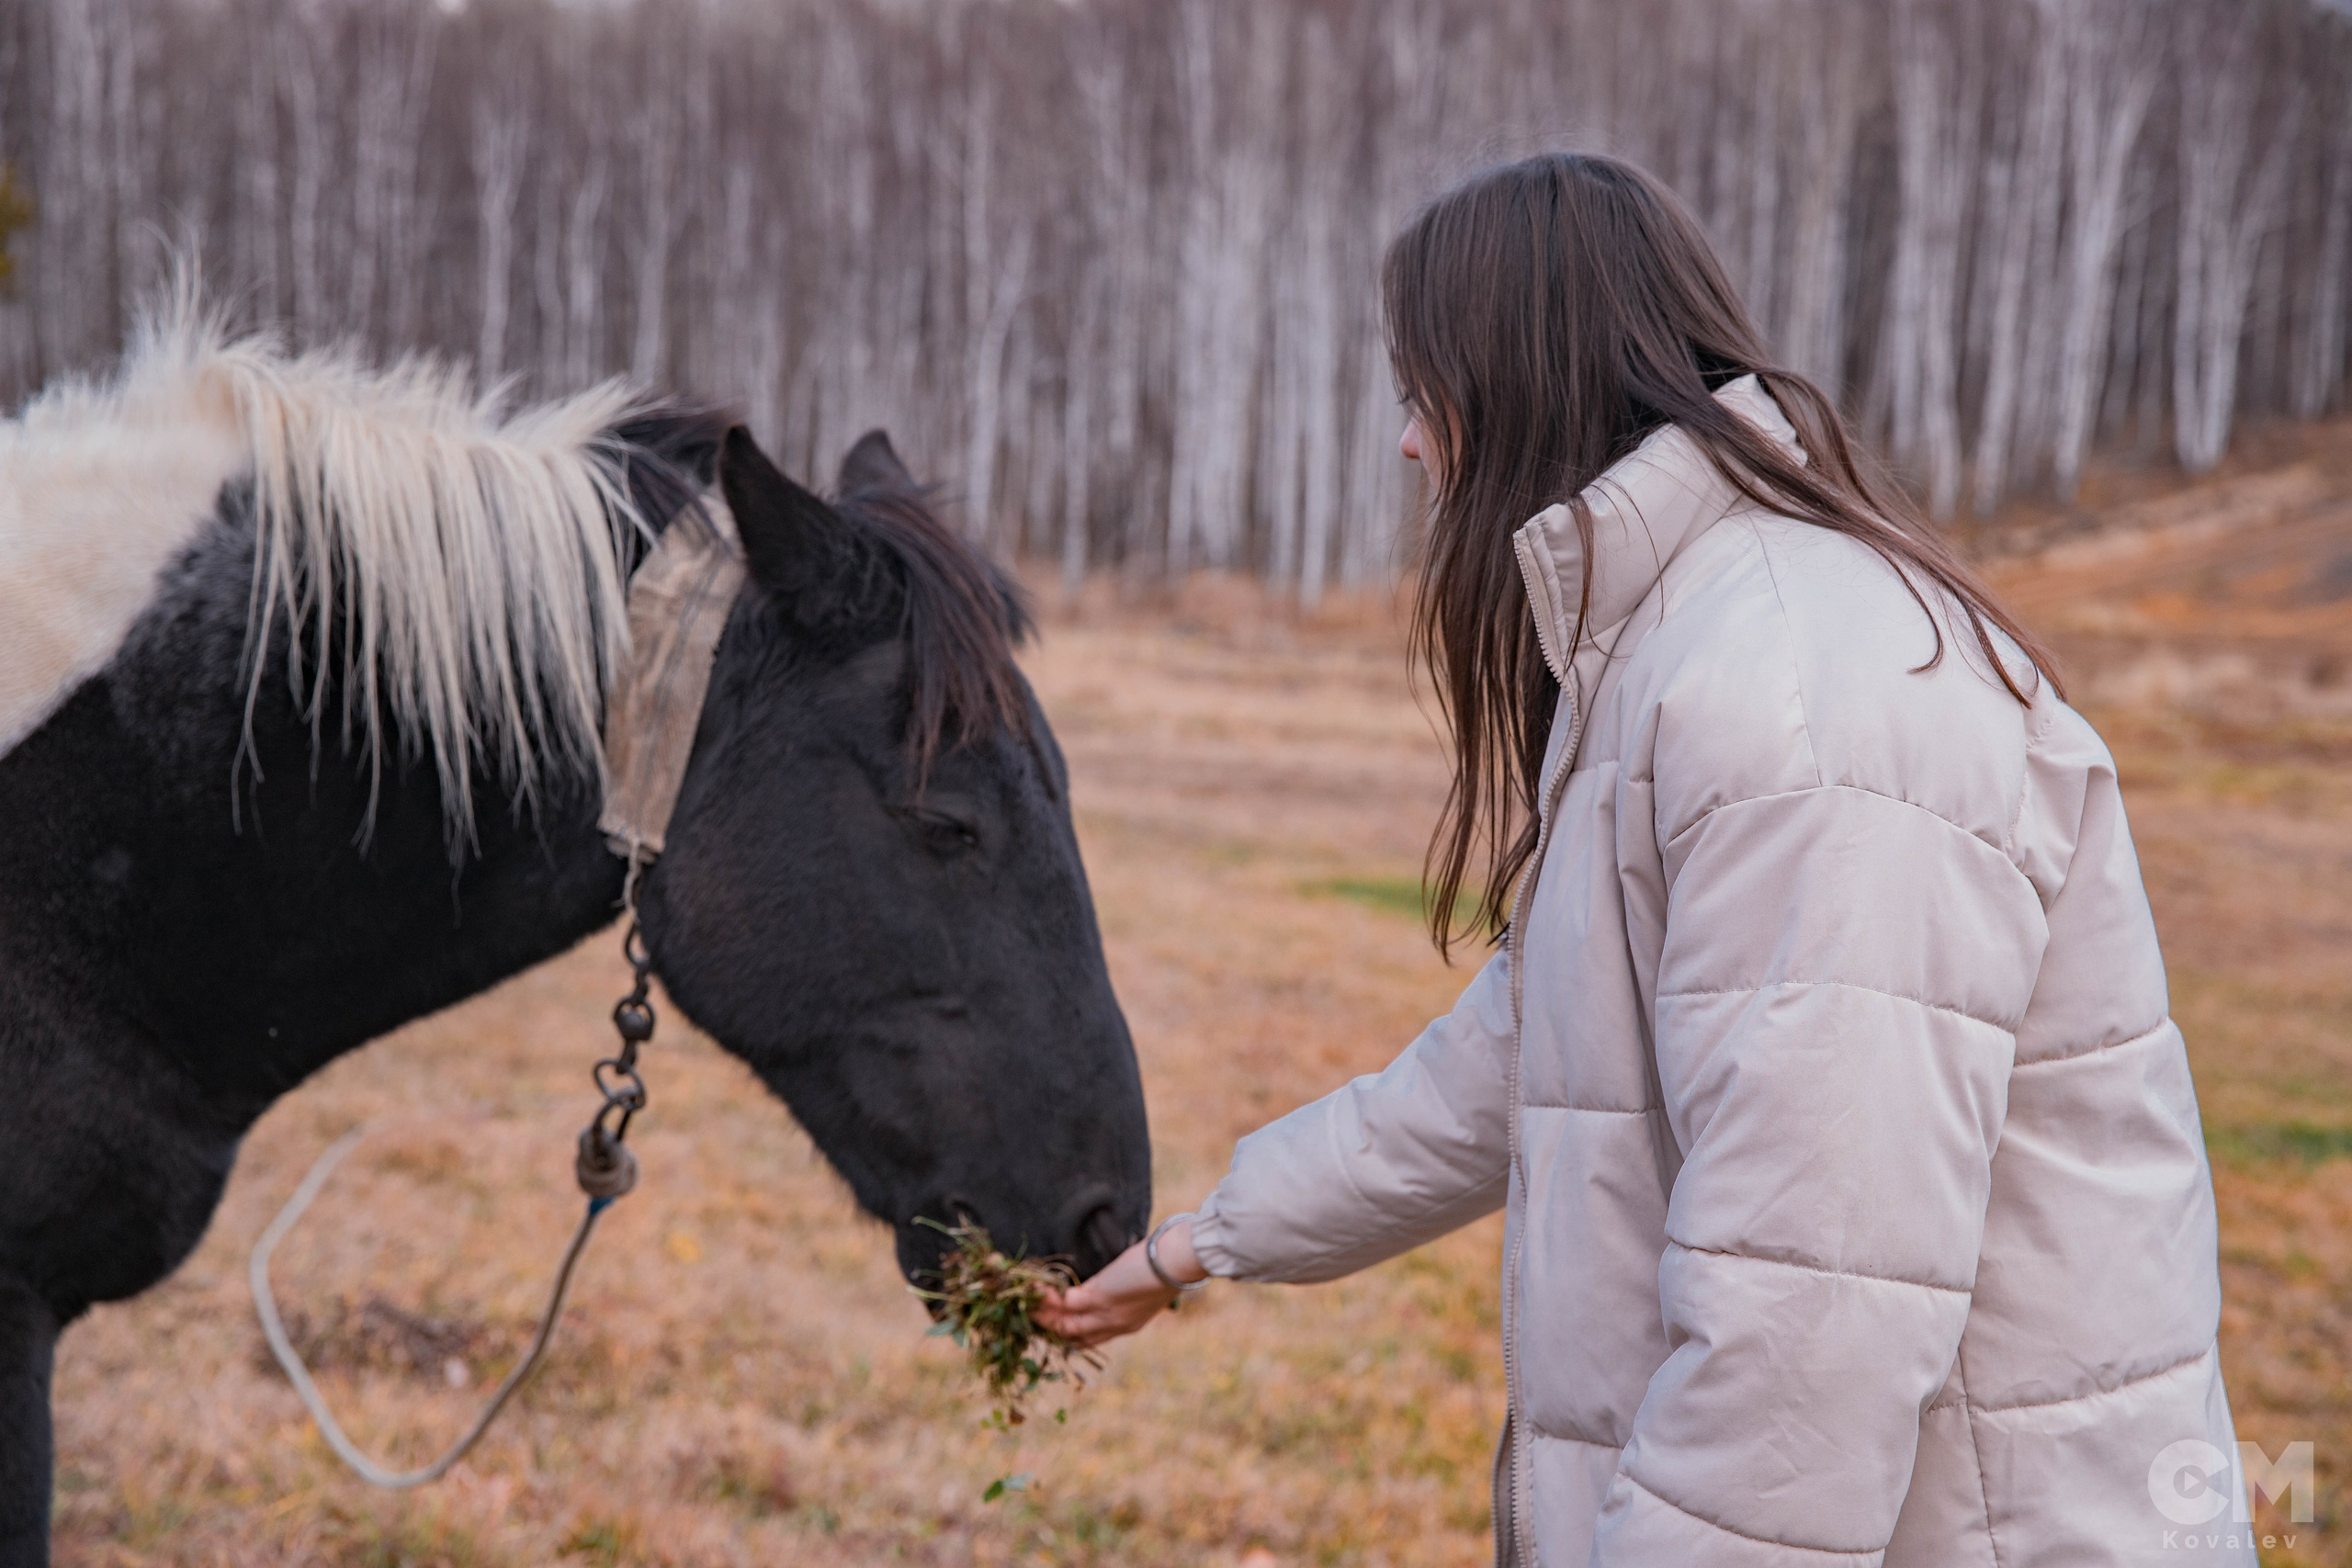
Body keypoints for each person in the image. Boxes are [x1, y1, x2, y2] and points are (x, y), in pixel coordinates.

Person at [1039, 152, 2251, 1567]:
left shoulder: (1799, 703)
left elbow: (1810, 1316)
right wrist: (1198, 1246)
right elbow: (1518, 1062)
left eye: (1422, 389)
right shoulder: (1688, 652)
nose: (1411, 444)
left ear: (1518, 377)